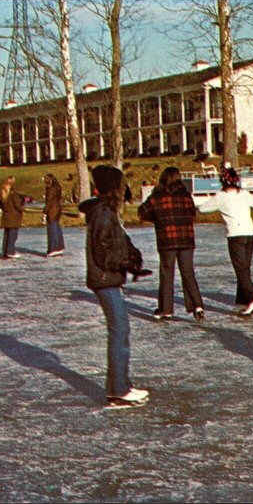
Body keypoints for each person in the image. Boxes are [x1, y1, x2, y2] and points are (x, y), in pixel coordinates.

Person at [78, 165, 152, 409]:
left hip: (109, 278)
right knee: (119, 330)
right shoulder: (102, 213)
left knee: (120, 330)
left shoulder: (107, 211)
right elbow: (103, 251)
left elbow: (118, 241)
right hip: (104, 279)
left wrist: (133, 257)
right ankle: (118, 389)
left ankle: (119, 386)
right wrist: (123, 262)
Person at [138, 167, 205, 322]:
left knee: (167, 273)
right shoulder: (186, 196)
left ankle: (166, 309)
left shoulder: (157, 196)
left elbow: (141, 212)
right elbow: (192, 213)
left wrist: (157, 219)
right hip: (186, 239)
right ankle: (197, 306)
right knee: (188, 272)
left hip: (167, 240)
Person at [198, 167, 253, 316]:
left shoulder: (221, 196)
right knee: (244, 269)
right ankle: (242, 302)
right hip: (250, 234)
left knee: (240, 270)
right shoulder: (244, 193)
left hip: (236, 235)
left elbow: (203, 209)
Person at [0, 176, 25, 259]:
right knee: (13, 235)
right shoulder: (13, 193)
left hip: (6, 215)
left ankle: (5, 252)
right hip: (14, 216)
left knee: (7, 234)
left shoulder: (1, 192)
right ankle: (10, 251)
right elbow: (17, 204)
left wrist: (5, 209)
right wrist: (23, 209)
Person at [42, 174, 65, 257]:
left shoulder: (50, 190)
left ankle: (54, 248)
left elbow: (48, 202)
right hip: (58, 209)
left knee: (52, 229)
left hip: (52, 211)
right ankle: (59, 247)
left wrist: (44, 212)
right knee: (56, 227)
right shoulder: (57, 188)